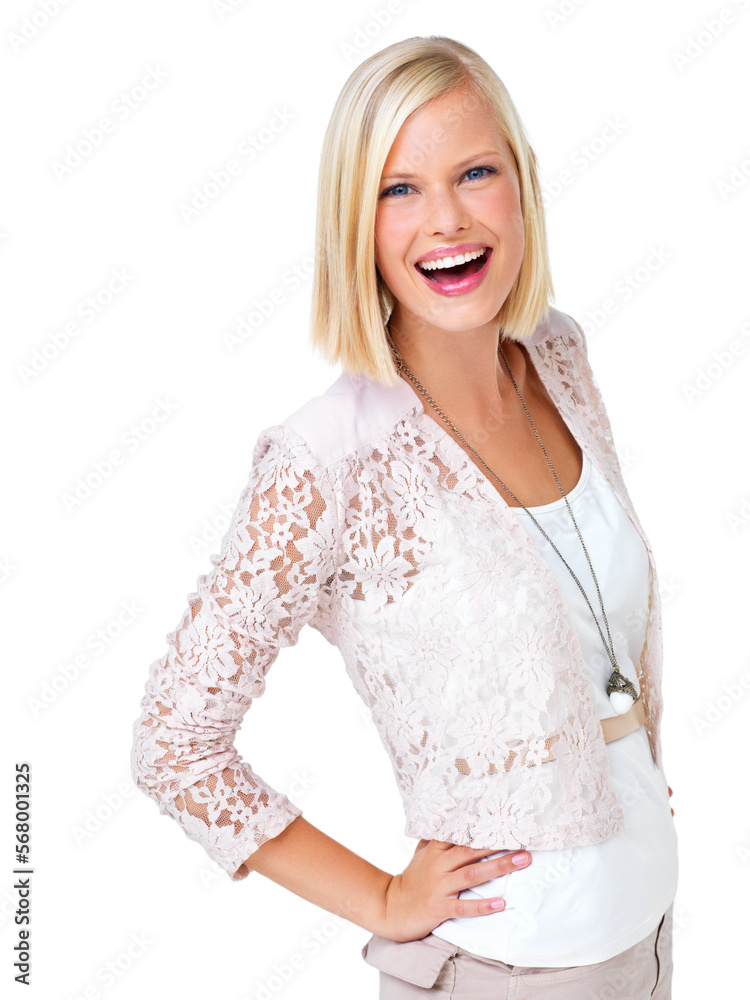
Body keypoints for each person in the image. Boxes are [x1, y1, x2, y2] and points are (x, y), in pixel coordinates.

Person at [131, 35, 678, 998]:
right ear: (356, 223)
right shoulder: (328, 460)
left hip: (649, 942)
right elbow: (175, 743)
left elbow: (599, 629)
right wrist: (384, 899)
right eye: (399, 190)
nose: (448, 221)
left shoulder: (557, 357)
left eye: (476, 172)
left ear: (525, 182)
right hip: (510, 970)